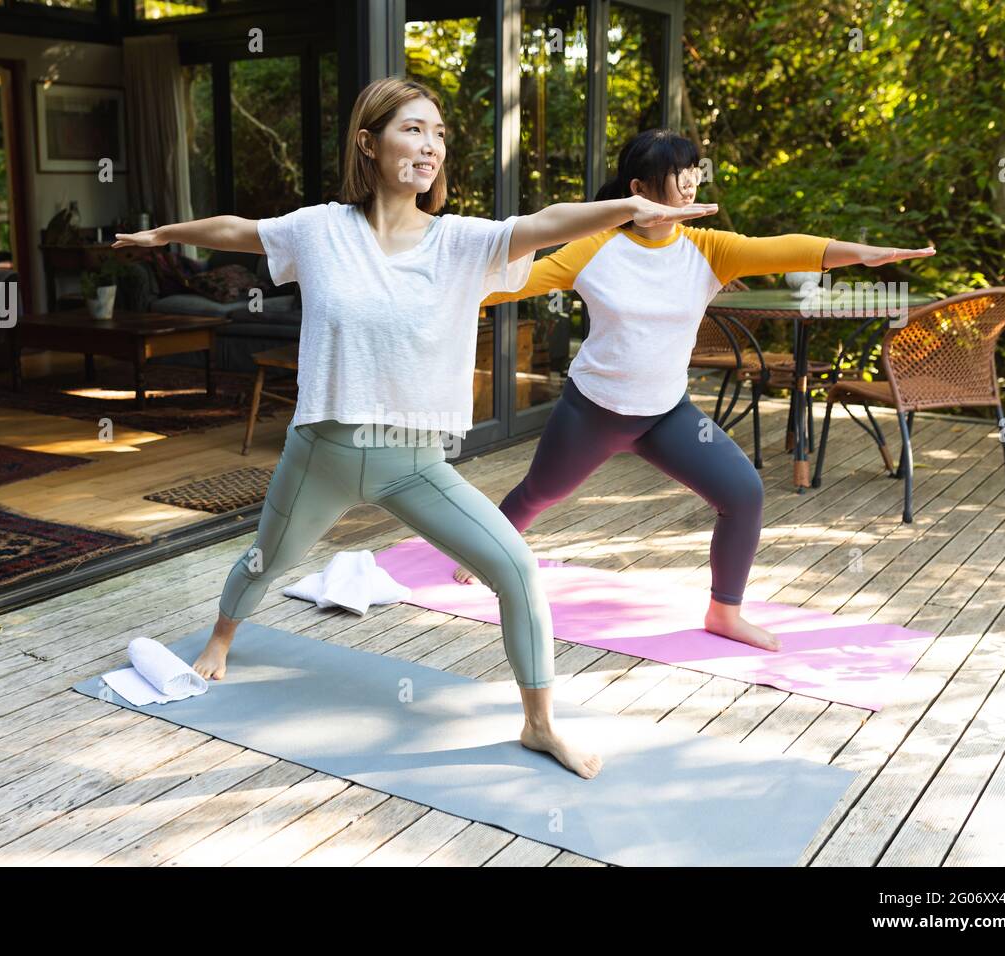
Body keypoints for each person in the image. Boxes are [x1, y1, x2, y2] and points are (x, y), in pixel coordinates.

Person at [114, 80, 719, 778]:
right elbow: (240, 232)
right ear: (369, 144)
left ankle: (539, 724)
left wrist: (629, 206)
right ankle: (222, 637)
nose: (430, 145)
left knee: (516, 569)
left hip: (414, 463)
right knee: (268, 561)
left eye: (438, 133)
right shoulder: (319, 230)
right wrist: (168, 234)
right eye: (413, 130)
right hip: (324, 453)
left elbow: (548, 220)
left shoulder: (462, 242)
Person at [452, 128, 935, 652]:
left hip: (666, 416)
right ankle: (482, 553)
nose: (689, 184)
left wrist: (863, 254)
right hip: (593, 411)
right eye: (678, 175)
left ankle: (725, 614)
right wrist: (436, 286)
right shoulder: (595, 248)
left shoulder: (709, 249)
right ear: (639, 187)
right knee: (539, 494)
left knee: (743, 492)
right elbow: (514, 283)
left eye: (693, 172)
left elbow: (784, 249)